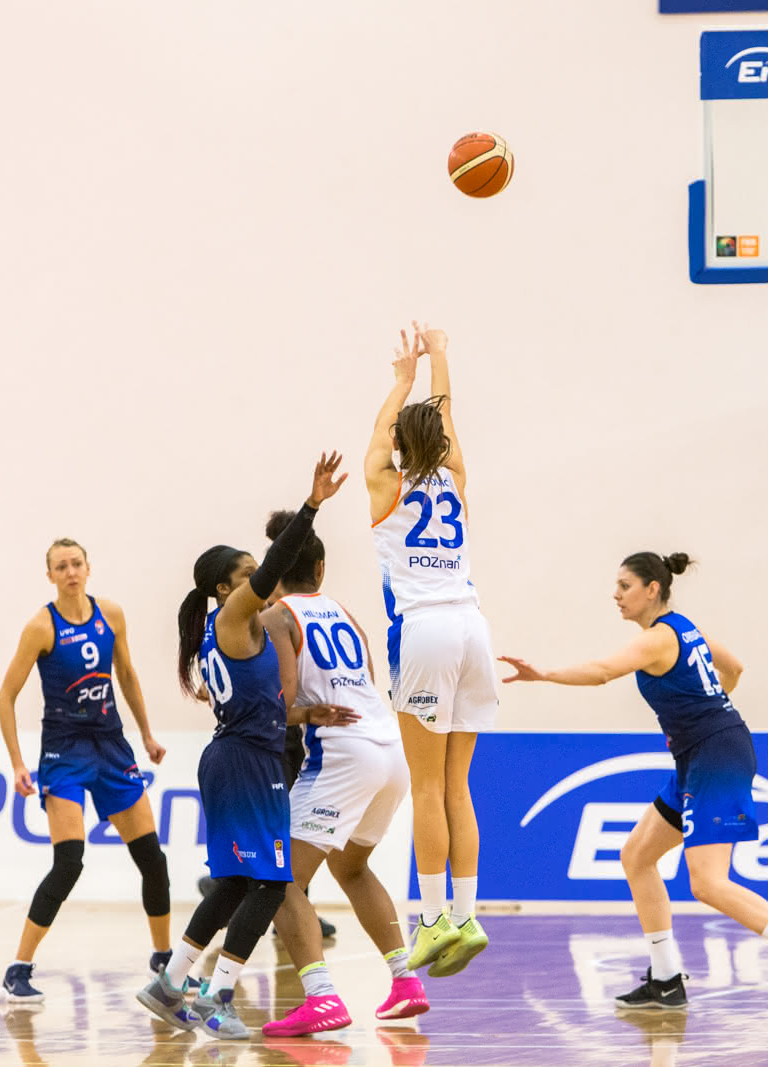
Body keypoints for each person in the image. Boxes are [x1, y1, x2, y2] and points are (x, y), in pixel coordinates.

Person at [498, 552, 768, 1016]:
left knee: (708, 883)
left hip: (715, 756)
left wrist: (543, 675)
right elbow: (734, 667)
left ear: (652, 589)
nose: (616, 595)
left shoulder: (656, 640)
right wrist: (710, 709)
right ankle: (665, 979)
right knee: (637, 856)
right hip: (701, 752)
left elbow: (601, 673)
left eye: (625, 586)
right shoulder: (686, 629)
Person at [137, 453, 357, 1040]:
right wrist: (310, 507)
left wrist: (308, 712)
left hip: (237, 756)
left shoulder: (229, 629)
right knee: (272, 882)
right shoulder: (236, 614)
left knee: (237, 882)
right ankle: (219, 996)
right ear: (223, 588)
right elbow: (279, 566)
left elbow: (263, 703)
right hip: (248, 761)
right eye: (248, 573)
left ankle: (170, 982)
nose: (261, 578)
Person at [261, 508, 427, 1036]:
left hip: (342, 753)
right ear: (321, 567)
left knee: (278, 878)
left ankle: (322, 997)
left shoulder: (276, 617)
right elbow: (368, 681)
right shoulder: (343, 611)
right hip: (388, 748)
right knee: (351, 868)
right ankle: (406, 982)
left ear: (273, 565)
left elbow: (283, 703)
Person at [367, 322, 499, 976]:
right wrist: (441, 357)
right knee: (456, 785)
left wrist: (401, 378)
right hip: (474, 626)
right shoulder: (457, 476)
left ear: (397, 442)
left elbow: (385, 433)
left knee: (424, 785)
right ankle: (468, 914)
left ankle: (431, 922)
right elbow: (443, 422)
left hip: (424, 630)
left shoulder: (383, 484)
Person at [0, 539, 173, 1002]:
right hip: (66, 753)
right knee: (69, 863)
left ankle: (163, 958)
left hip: (111, 746)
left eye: (76, 563)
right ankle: (19, 967)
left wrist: (147, 735)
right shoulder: (40, 626)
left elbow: (128, 676)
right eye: (60, 566)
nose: (70, 571)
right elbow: (5, 696)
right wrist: (17, 762)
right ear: (50, 575)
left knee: (153, 859)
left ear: (89, 568)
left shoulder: (110, 613)